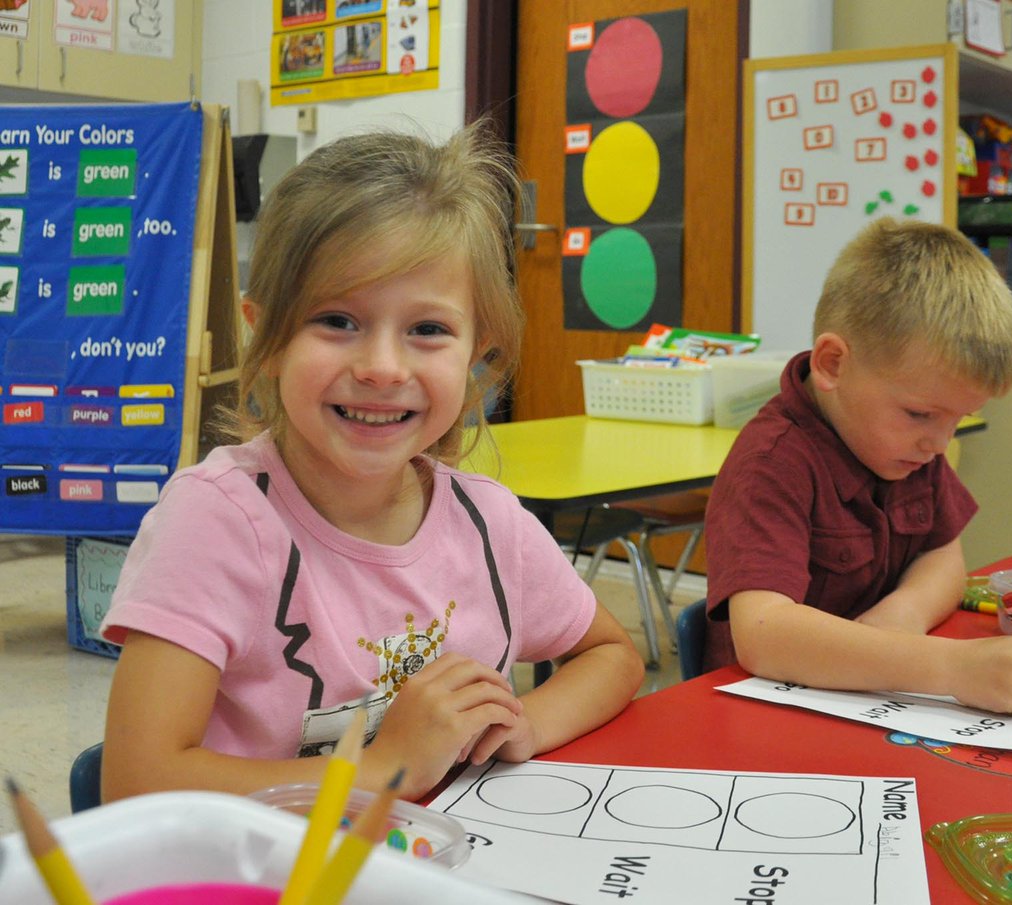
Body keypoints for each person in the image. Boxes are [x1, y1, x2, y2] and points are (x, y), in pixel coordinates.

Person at [100, 123, 644, 803]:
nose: (383, 368)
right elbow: (135, 784)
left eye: (428, 329)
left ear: (479, 347)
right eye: (337, 320)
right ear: (265, 338)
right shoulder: (218, 520)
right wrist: (386, 769)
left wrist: (525, 723)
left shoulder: (488, 522)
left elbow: (611, 654)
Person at [703, 217, 1012, 715]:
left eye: (957, 419)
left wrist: (904, 613)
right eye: (920, 413)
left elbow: (943, 556)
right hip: (767, 714)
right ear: (833, 363)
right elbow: (763, 634)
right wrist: (952, 667)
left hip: (871, 704)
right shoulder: (772, 462)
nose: (939, 444)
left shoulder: (903, 446)